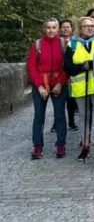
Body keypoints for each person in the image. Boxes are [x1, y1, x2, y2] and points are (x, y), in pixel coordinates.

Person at [28, 18, 69, 159]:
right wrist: (39, 86)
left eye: (54, 27)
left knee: (60, 115)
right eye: (48, 28)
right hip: (41, 84)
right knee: (39, 116)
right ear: (44, 29)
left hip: (59, 84)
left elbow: (67, 65)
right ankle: (38, 146)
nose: (51, 30)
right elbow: (32, 67)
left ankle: (61, 144)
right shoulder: (37, 44)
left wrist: (60, 83)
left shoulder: (64, 44)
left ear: (58, 29)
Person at [64, 16, 94, 160]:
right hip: (81, 87)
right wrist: (82, 66)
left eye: (92, 25)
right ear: (80, 28)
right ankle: (85, 146)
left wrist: (91, 64)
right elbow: (67, 67)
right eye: (86, 26)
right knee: (84, 117)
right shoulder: (72, 45)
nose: (90, 28)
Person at [59, 19, 78, 132]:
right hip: (59, 74)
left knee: (71, 101)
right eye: (63, 27)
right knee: (59, 101)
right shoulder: (57, 41)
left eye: (68, 27)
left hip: (71, 75)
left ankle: (71, 122)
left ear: (71, 29)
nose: (65, 29)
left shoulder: (75, 42)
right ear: (60, 29)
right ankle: (56, 123)